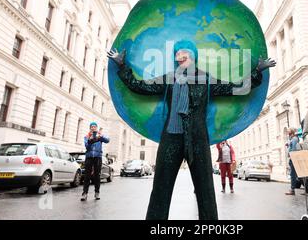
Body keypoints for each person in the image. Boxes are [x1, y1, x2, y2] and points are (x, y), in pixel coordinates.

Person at [108, 41, 276, 220]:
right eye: (176, 54)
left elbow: (238, 87)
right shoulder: (169, 78)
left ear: (191, 55)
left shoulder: (206, 79)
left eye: (181, 53)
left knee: (205, 190)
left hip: (197, 138)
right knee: (160, 189)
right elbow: (139, 86)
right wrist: (121, 65)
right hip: (171, 138)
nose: (177, 57)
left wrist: (258, 71)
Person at [81, 122, 110, 201]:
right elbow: (87, 146)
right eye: (92, 127)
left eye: (94, 127)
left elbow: (107, 140)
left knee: (97, 176)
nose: (93, 128)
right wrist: (91, 139)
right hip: (89, 157)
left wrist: (101, 136)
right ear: (90, 128)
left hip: (97, 157)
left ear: (96, 128)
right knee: (87, 176)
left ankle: (97, 193)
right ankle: (85, 194)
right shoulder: (87, 136)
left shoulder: (99, 136)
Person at [285, 128, 302, 195]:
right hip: (293, 158)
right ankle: (293, 189)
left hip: (293, 158)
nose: (287, 133)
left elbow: (294, 149)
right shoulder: (292, 139)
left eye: (288, 132)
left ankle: (292, 190)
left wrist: (291, 155)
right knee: (297, 174)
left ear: (291, 132)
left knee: (293, 174)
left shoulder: (294, 139)